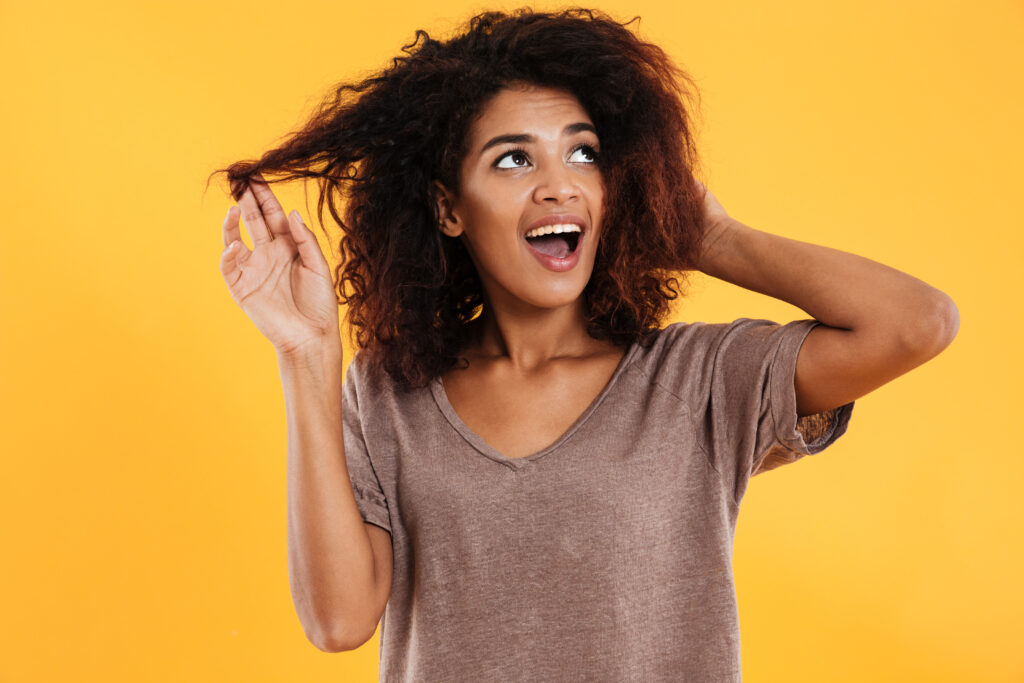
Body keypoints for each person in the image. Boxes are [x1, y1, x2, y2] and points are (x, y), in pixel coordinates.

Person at [212, 8, 958, 681]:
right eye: (514, 159)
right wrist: (306, 355)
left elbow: (916, 323)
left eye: (583, 153)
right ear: (447, 207)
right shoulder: (389, 394)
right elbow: (338, 622)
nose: (558, 185)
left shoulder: (697, 380)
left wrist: (714, 237)